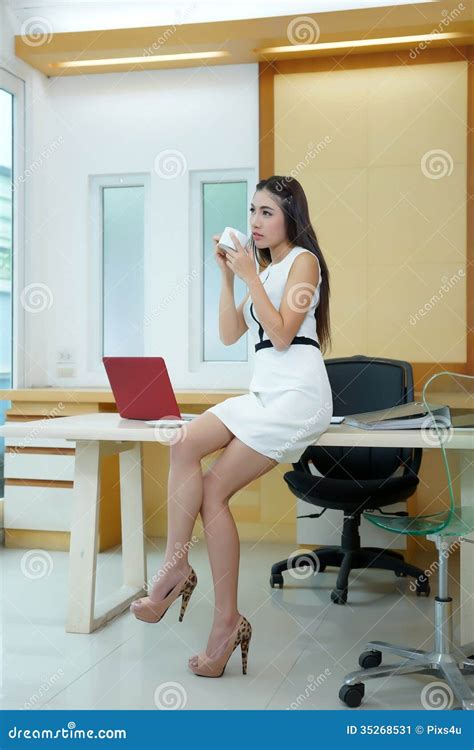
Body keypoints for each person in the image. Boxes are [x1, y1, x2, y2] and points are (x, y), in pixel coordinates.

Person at [130, 175, 333, 678]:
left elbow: (284, 333)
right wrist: (227, 277)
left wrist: (249, 275)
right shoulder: (261, 273)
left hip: (296, 396)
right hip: (262, 392)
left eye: (266, 212)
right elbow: (227, 333)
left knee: (213, 491)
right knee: (185, 445)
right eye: (252, 211)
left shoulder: (302, 262)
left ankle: (222, 623)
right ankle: (180, 570)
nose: (255, 222)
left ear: (291, 216)